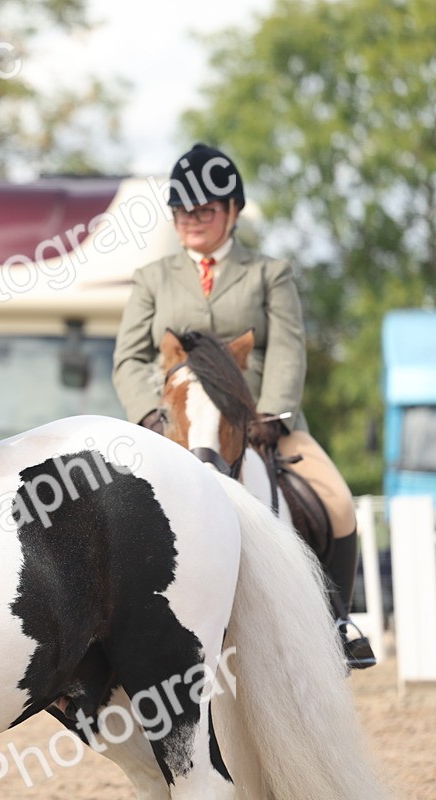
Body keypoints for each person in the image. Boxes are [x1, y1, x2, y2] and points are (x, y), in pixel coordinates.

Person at [112, 143, 375, 669]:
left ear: (233, 211)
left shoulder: (268, 274)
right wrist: (151, 415)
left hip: (257, 422)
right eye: (183, 211)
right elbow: (129, 357)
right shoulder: (152, 278)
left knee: (339, 502)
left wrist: (271, 416)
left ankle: (337, 620)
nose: (191, 221)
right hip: (178, 425)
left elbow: (287, 348)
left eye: (205, 210)